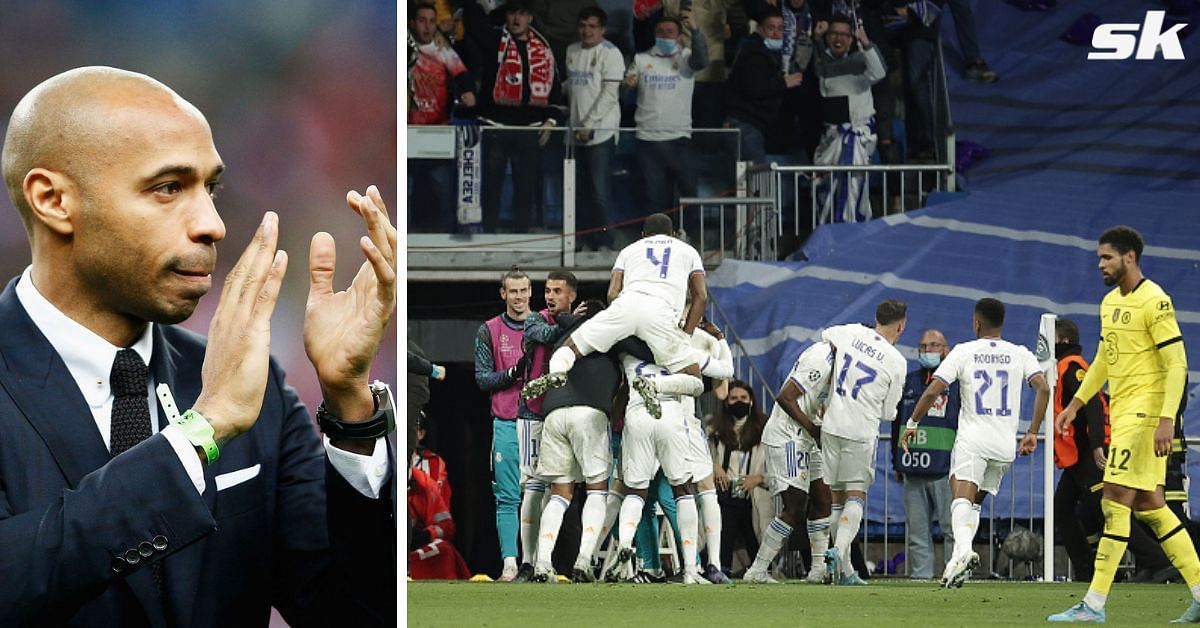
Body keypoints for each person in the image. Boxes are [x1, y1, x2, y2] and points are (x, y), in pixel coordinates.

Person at [0, 67, 396, 625]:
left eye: (210, 188)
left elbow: (354, 611)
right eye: (168, 188)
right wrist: (200, 433)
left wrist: (351, 406)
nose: (212, 224)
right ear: (53, 199)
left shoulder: (257, 393)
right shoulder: (227, 399)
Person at [1048, 226, 1200, 623]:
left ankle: (1094, 604)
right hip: (1124, 410)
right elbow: (1104, 360)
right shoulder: (1109, 302)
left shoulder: (1156, 301)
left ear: (1129, 257)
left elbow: (1177, 365)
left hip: (1146, 415)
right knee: (1151, 505)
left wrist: (1167, 418)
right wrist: (1076, 404)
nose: (1100, 264)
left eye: (1107, 257)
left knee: (1114, 497)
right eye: (1100, 257)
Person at [902, 299, 1049, 589]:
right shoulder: (1020, 353)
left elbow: (933, 390)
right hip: (1004, 445)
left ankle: (962, 552)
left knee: (960, 498)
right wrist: (1032, 431)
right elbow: (1043, 387)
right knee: (974, 506)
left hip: (974, 440)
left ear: (976, 323)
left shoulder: (964, 351)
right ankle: (958, 564)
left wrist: (912, 423)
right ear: (1002, 323)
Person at [523, 213, 708, 416]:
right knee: (695, 379)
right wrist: (686, 334)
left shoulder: (629, 250)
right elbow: (701, 297)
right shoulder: (688, 251)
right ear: (673, 234)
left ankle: (557, 372)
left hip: (625, 303)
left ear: (643, 235)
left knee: (570, 348)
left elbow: (612, 292)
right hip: (660, 312)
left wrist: (621, 324)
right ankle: (656, 386)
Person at [525, 299, 625, 582]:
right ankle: (584, 560)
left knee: (559, 493)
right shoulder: (614, 338)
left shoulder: (565, 335)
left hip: (554, 413)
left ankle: (542, 563)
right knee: (596, 490)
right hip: (589, 413)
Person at [820, 300, 909, 586]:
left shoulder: (850, 332)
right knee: (856, 496)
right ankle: (839, 550)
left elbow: (826, 336)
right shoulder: (896, 361)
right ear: (902, 325)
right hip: (861, 431)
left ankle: (845, 571)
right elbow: (889, 412)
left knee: (836, 498)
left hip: (832, 424)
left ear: (876, 318)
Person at [743, 339, 834, 583]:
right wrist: (812, 428)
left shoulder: (841, 363)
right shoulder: (821, 358)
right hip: (789, 437)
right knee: (794, 507)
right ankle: (757, 570)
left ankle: (818, 570)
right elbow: (785, 397)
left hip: (807, 436)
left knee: (823, 499)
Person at [477, 0, 565, 234]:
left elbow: (555, 87)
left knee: (525, 186)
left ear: (531, 18)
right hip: (496, 126)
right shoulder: (493, 40)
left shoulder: (544, 48)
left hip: (530, 129)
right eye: (512, 13)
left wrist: (551, 121)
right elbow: (478, 25)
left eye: (522, 14)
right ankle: (488, 234)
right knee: (491, 185)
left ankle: (521, 235)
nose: (516, 19)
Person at [473, 267, 538, 581]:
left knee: (542, 494)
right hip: (507, 423)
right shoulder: (489, 330)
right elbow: (482, 379)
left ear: (531, 291)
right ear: (503, 294)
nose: (519, 297)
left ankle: (538, 563)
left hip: (540, 424)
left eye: (524, 290)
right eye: (513, 291)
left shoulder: (544, 327)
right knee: (508, 497)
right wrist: (513, 374)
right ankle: (510, 564)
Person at [890, 328, 958, 580]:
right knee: (917, 532)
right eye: (923, 347)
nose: (927, 351)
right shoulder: (908, 381)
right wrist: (896, 461)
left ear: (946, 350)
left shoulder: (956, 384)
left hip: (945, 470)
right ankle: (920, 578)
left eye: (934, 346)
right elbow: (896, 424)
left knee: (951, 529)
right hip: (912, 468)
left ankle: (954, 574)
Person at [625, 14, 709, 218]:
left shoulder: (686, 57)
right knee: (655, 198)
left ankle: (688, 241)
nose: (665, 35)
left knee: (688, 193)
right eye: (661, 32)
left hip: (679, 137)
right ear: (654, 35)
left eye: (670, 32)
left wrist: (696, 32)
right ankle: (657, 242)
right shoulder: (641, 59)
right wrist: (627, 84)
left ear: (679, 36)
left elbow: (702, 60)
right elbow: (626, 86)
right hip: (648, 139)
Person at [409, 3, 477, 234]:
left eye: (431, 20)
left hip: (437, 131)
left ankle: (444, 235)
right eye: (422, 20)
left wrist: (468, 92)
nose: (427, 25)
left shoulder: (443, 50)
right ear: (412, 23)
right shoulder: (403, 49)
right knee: (405, 189)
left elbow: (463, 75)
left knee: (443, 188)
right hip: (406, 132)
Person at [812, 15, 887, 223]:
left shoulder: (861, 62)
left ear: (851, 39)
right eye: (834, 33)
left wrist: (866, 43)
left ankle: (849, 227)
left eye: (844, 35)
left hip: (856, 136)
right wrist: (816, 39)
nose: (839, 38)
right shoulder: (823, 64)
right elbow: (817, 66)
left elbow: (880, 72)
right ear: (828, 37)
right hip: (831, 137)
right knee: (825, 187)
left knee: (852, 183)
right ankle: (828, 230)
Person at [1051, 318, 1109, 582]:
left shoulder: (1072, 366)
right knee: (1062, 510)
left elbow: (1093, 405)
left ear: (1062, 341)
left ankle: (1154, 560)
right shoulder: (1063, 366)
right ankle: (1087, 572)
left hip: (1086, 452)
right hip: (1077, 455)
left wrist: (1097, 444)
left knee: (1107, 512)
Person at [565, 6, 625, 251]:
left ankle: (606, 242)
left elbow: (610, 94)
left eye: (592, 26)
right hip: (575, 135)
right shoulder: (571, 50)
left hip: (601, 133)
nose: (586, 31)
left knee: (600, 193)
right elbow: (573, 88)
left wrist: (589, 124)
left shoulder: (611, 54)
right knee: (579, 193)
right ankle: (582, 239)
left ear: (602, 29)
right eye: (583, 26)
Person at [725, 10, 805, 165]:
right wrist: (784, 83)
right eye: (771, 28)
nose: (776, 33)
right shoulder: (753, 53)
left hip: (755, 125)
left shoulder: (771, 54)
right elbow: (755, 88)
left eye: (781, 28)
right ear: (760, 29)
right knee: (755, 179)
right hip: (745, 124)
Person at [708, 381, 772, 576]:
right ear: (726, 402)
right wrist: (715, 467)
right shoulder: (713, 430)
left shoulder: (766, 431)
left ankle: (759, 568)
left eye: (743, 398)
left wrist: (759, 478)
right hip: (725, 491)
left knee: (749, 523)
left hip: (754, 492)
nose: (739, 402)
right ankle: (723, 566)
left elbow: (778, 471)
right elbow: (700, 460)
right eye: (733, 398)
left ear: (751, 401)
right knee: (726, 517)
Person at [409, 464, 472, 580]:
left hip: (414, 551)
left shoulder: (425, 485)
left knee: (445, 550)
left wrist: (427, 534)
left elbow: (446, 526)